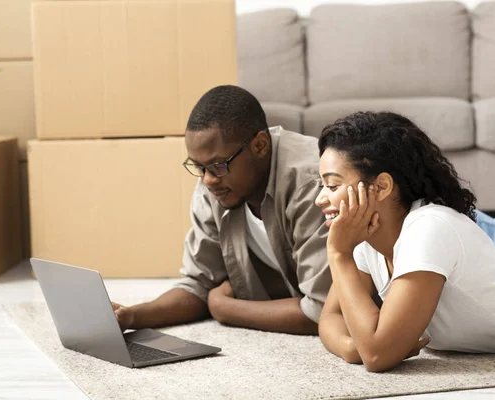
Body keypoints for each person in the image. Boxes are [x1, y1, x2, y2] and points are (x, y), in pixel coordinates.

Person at [314, 111, 495, 372]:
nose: (320, 199)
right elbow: (330, 317)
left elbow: (377, 355)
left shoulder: (429, 228)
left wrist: (338, 254)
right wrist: (351, 347)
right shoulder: (366, 240)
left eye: (333, 186)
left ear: (381, 186)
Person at [113, 85, 332, 335]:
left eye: (218, 165)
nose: (207, 180)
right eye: (198, 167)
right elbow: (199, 283)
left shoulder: (311, 185)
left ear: (260, 146)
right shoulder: (216, 184)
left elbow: (322, 312)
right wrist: (131, 316)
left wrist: (224, 308)